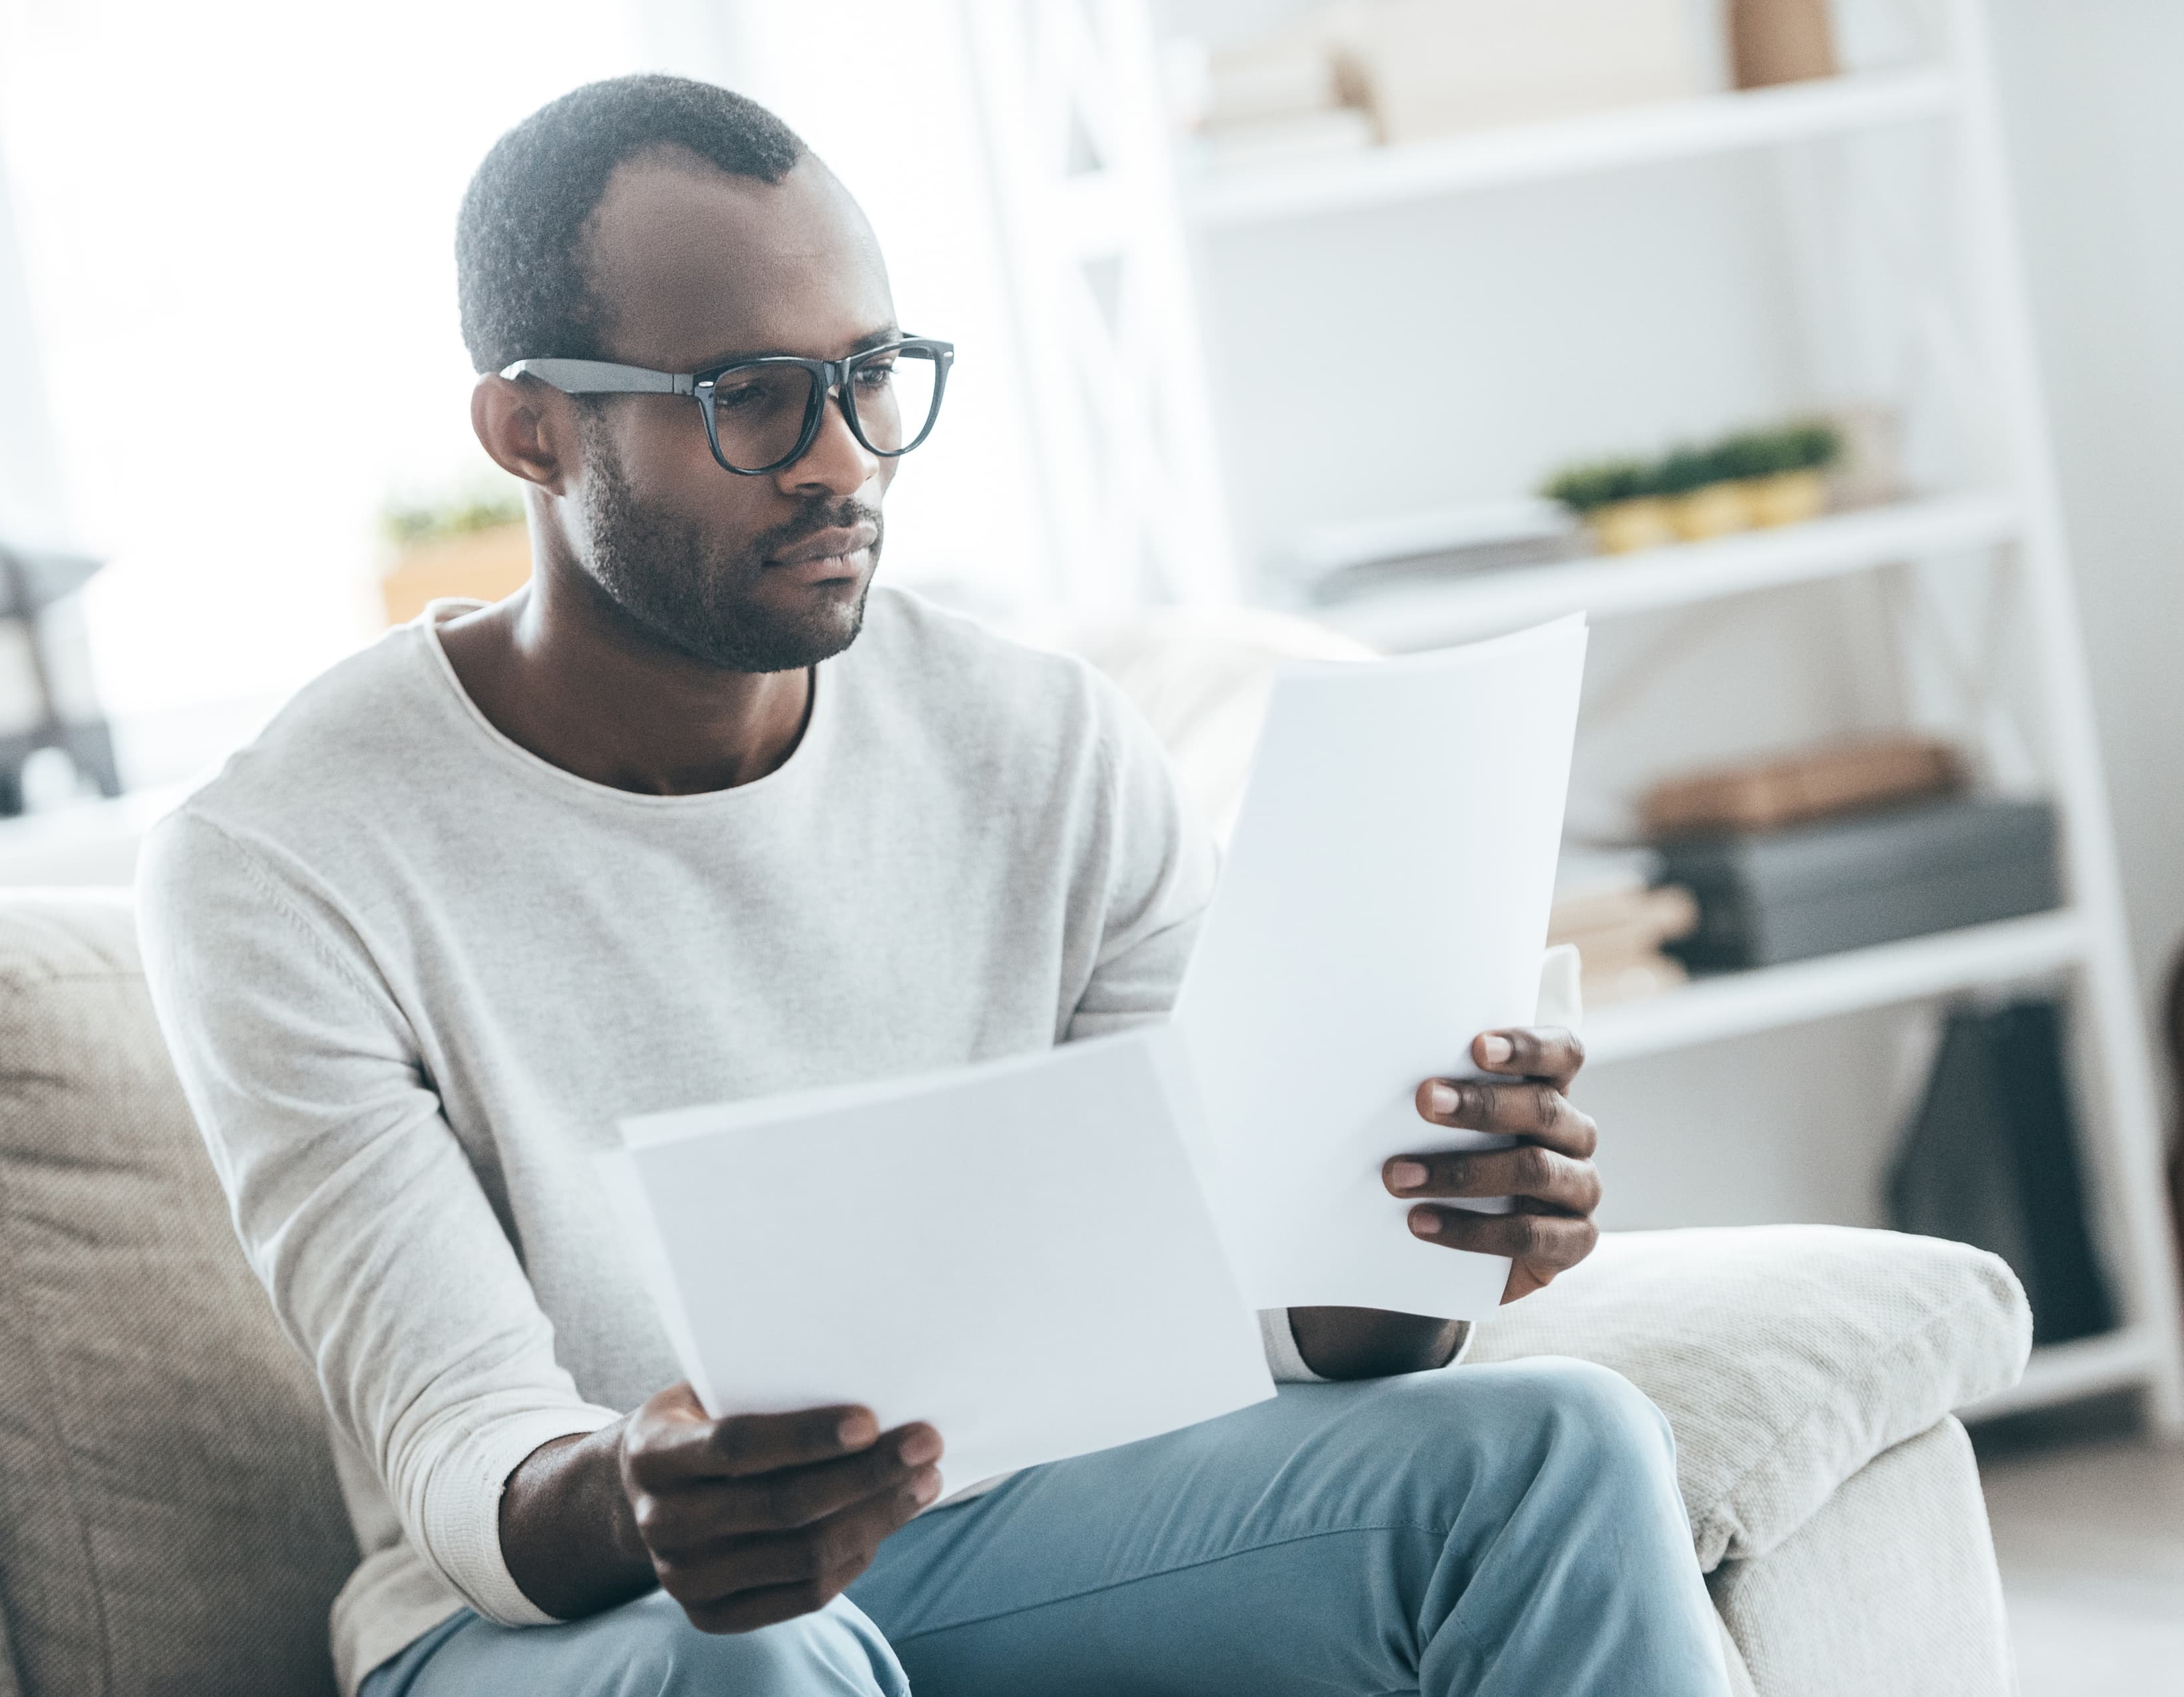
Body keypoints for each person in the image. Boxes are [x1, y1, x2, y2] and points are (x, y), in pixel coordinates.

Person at [137, 73, 1732, 1697]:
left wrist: (1420, 1241)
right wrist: (654, 1493)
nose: (844, 462)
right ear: (530, 431)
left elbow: (1228, 1293)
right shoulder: (276, 864)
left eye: (872, 377)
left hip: (1010, 1530)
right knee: (757, 1659)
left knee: (1556, 1444)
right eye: (752, 397)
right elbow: (469, 1453)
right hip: (551, 1632)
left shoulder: (1039, 741)